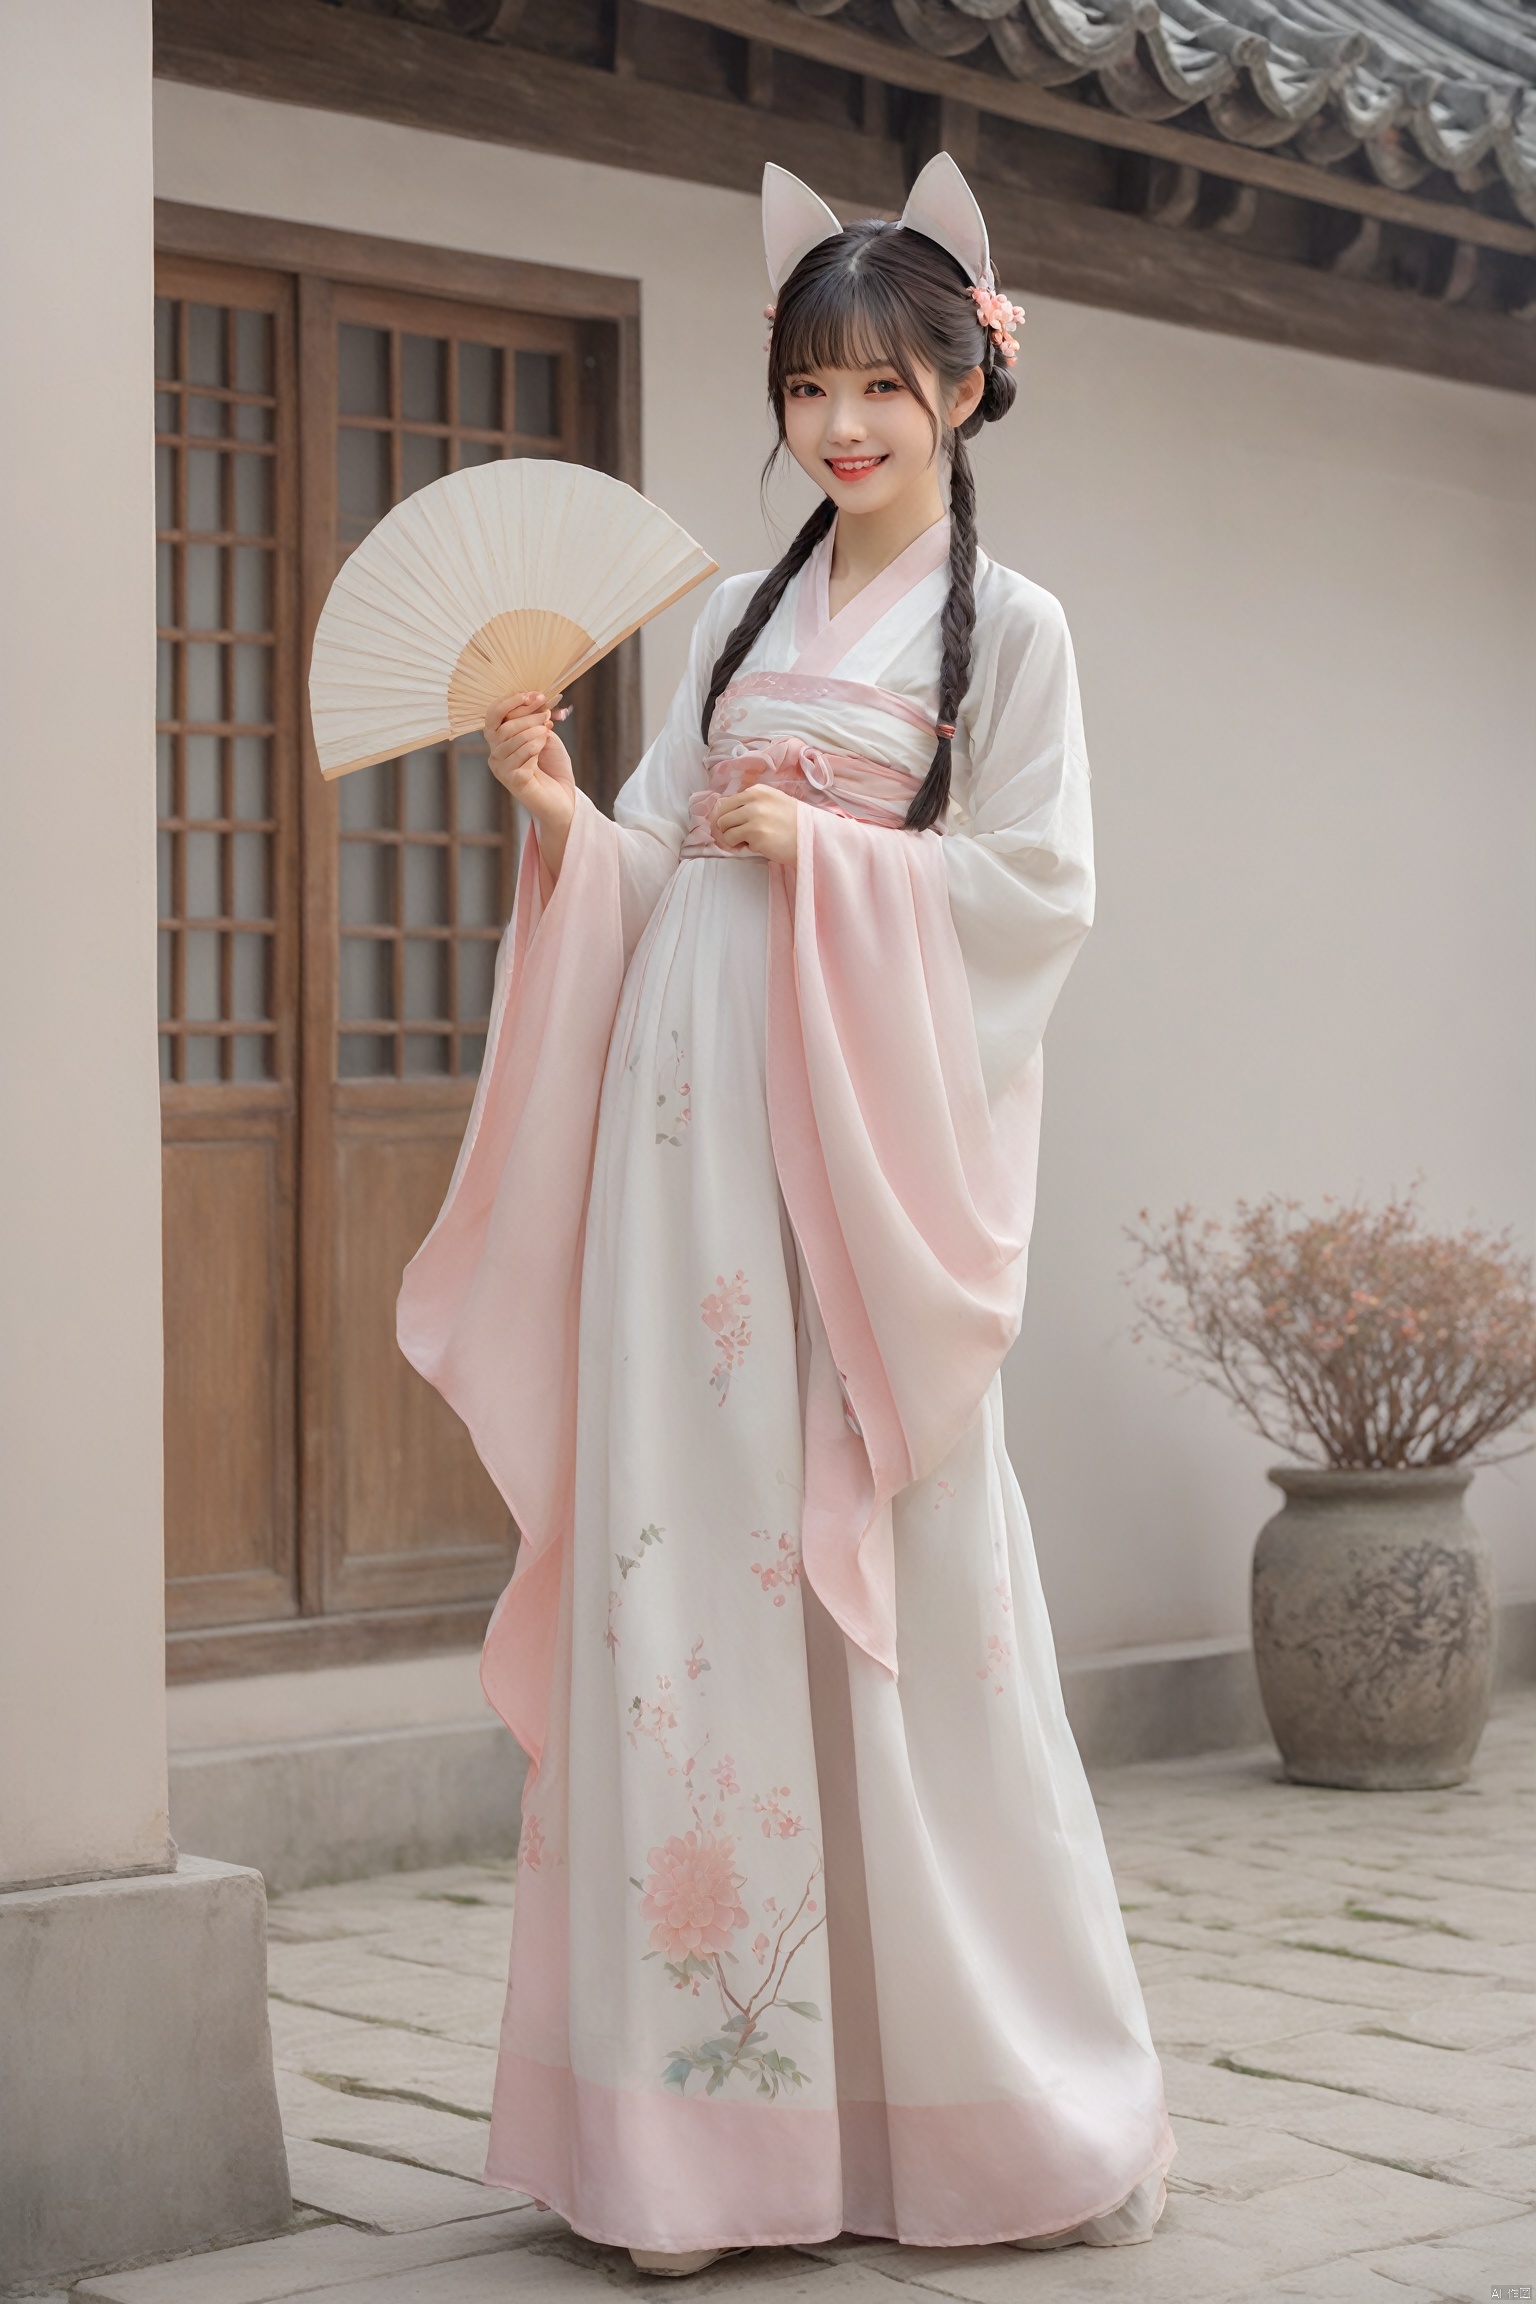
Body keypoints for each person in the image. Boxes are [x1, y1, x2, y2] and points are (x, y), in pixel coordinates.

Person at [397, 153, 1175, 2273]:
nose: (845, 427)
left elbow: (1037, 892)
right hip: (685, 1160)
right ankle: (694, 2141)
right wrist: (574, 816)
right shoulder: (752, 611)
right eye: (813, 386)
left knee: (896, 1595)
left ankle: (976, 2111)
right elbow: (669, 865)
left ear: (966, 392)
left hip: (852, 1169)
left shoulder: (1014, 633)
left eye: (887, 389)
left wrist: (828, 857)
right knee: (685, 1586)